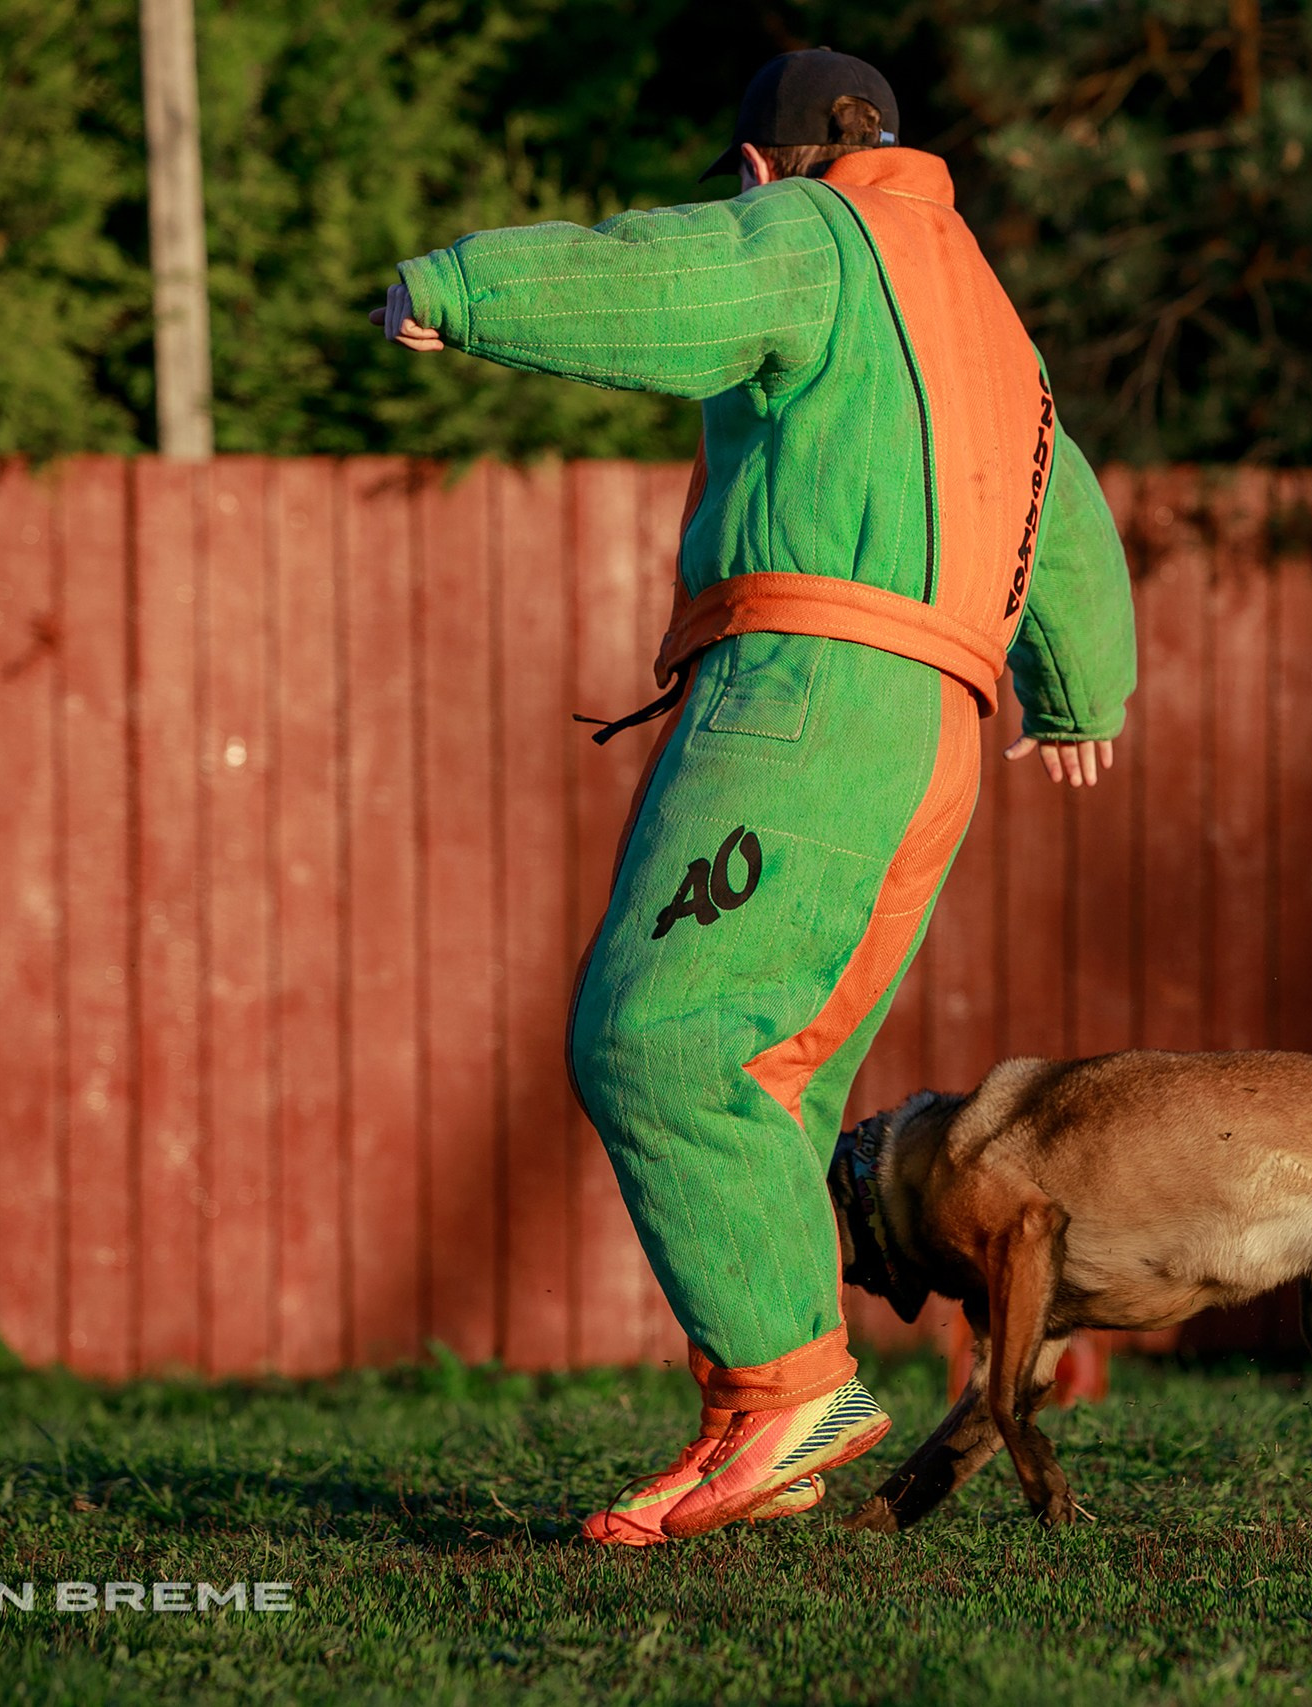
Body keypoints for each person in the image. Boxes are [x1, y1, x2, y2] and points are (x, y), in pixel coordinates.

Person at [373, 48, 1136, 1545]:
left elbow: (664, 286)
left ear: (759, 165)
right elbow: (1069, 498)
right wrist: (1079, 686)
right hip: (935, 731)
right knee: (771, 1071)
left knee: (654, 1039)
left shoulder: (810, 237)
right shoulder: (982, 308)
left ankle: (791, 1389)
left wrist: (461, 288)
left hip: (807, 696)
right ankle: (759, 1434)